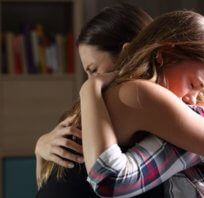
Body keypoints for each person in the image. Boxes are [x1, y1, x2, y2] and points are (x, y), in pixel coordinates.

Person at [80, 10, 204, 197]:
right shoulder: (139, 94)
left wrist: (89, 90)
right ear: (164, 54)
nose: (193, 99)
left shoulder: (188, 113)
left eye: (201, 92)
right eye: (193, 85)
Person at [35, 3, 163, 198]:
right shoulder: (93, 109)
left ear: (127, 54)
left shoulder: (131, 102)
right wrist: (40, 150)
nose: (91, 80)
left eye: (93, 70)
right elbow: (44, 183)